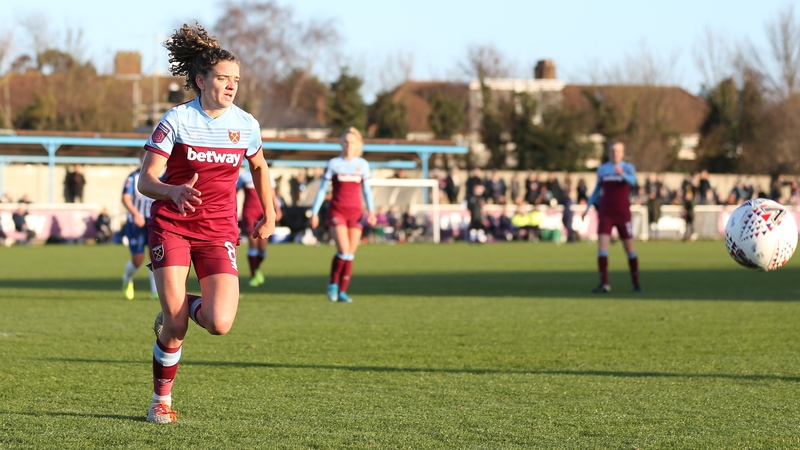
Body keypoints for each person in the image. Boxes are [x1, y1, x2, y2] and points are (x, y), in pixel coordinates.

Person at [136, 22, 276, 424]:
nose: (232, 86)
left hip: (218, 231)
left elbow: (260, 167)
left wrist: (269, 212)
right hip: (172, 225)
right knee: (177, 324)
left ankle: (176, 310)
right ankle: (160, 401)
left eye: (236, 79)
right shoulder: (176, 120)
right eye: (223, 78)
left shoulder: (246, 124)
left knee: (219, 323)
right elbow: (147, 179)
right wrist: (172, 191)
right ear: (200, 80)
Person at [309, 127, 376, 303]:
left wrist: (371, 211)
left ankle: (343, 292)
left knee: (350, 254)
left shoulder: (362, 164)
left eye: (352, 142)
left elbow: (367, 191)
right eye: (345, 142)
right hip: (337, 211)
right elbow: (323, 190)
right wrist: (314, 213)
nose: (348, 145)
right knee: (344, 250)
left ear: (357, 144)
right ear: (341, 143)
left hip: (356, 213)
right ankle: (332, 284)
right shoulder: (333, 164)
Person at [582, 140, 641, 293]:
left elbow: (634, 182)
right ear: (608, 153)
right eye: (612, 151)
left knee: (630, 249)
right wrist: (587, 207)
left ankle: (635, 282)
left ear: (623, 153)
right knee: (602, 247)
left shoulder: (628, 168)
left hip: (623, 214)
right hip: (606, 212)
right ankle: (604, 284)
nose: (615, 153)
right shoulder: (603, 169)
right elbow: (596, 190)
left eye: (618, 151)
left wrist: (623, 175)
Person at [237, 162, 282, 287]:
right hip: (249, 213)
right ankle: (253, 274)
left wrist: (277, 209)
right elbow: (234, 192)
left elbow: (272, 195)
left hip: (262, 213)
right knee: (253, 244)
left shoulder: (267, 174)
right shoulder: (244, 176)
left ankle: (256, 269)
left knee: (262, 248)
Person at [121, 151, 158, 300]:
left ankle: (155, 291)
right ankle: (127, 278)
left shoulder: (161, 176)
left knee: (156, 256)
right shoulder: (133, 177)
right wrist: (136, 214)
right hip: (136, 223)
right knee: (138, 259)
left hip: (154, 222)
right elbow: (125, 198)